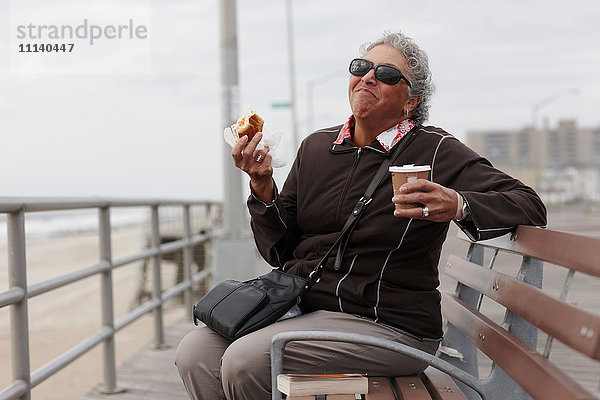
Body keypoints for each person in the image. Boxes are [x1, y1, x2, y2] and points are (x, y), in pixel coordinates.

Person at [175, 30, 547, 400]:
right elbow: (279, 251)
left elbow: (527, 202)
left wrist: (457, 203)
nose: (368, 76)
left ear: (411, 100)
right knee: (196, 354)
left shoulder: (435, 150)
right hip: (305, 306)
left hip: (389, 323)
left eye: (386, 74)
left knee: (246, 359)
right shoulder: (316, 148)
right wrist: (262, 187)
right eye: (361, 67)